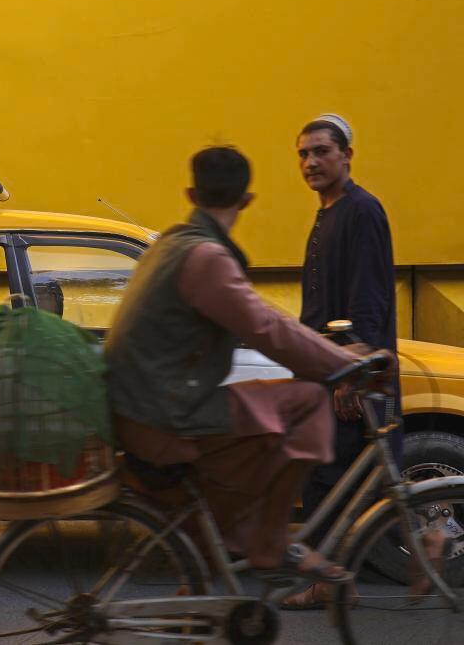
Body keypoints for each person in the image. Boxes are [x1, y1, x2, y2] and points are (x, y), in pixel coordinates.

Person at [106, 146, 391, 585]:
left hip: (143, 408)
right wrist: (343, 364)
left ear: (191, 193)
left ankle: (221, 553)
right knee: (309, 401)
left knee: (262, 407)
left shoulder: (173, 244)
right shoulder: (206, 258)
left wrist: (327, 351)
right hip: (165, 415)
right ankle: (267, 541)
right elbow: (266, 329)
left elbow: (264, 316)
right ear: (246, 201)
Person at [285, 113, 400, 607]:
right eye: (303, 155)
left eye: (320, 152)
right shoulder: (328, 212)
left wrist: (352, 371)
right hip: (327, 369)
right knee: (326, 477)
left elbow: (368, 297)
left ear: (347, 155)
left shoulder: (362, 211)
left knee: (342, 478)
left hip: (348, 373)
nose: (310, 162)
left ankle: (431, 539)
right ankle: (335, 583)